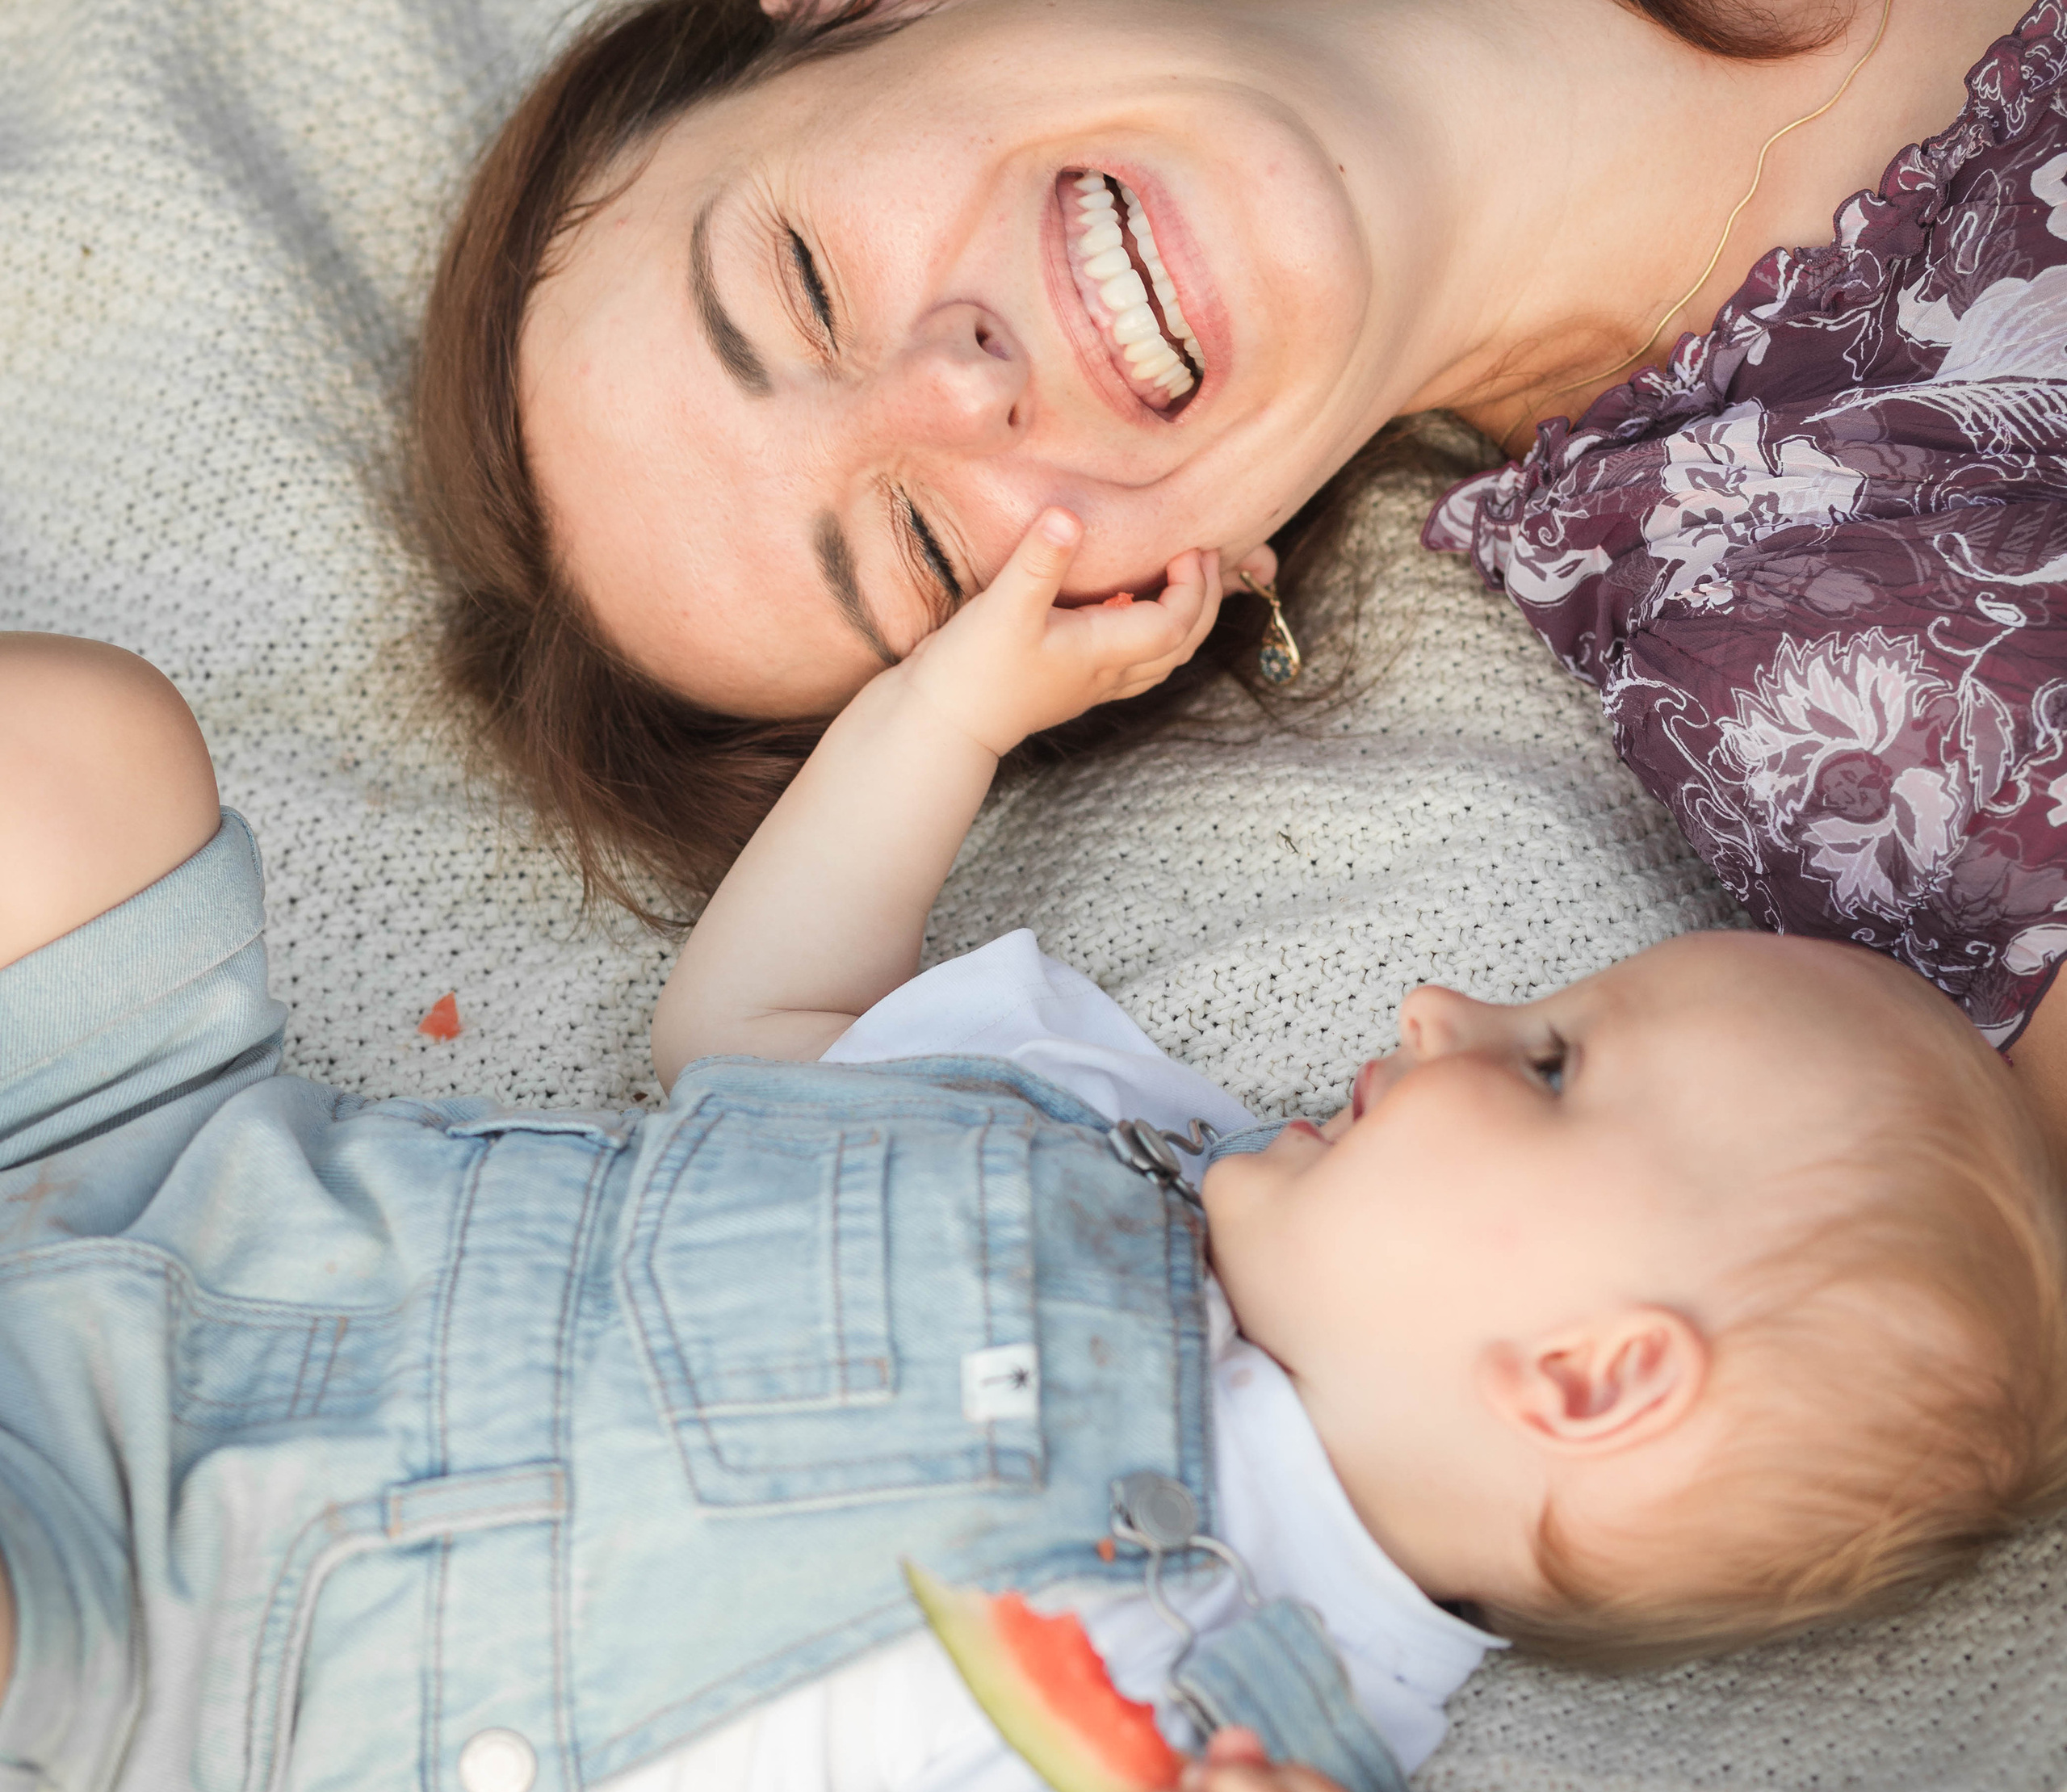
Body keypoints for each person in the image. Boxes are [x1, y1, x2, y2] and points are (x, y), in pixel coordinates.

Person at [2, 510, 2063, 1792]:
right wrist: (945, 718)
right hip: (176, 1171)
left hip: (138, 1622)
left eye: (1544, 1063)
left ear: (1589, 1377)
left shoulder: (1213, 1745)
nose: (1440, 999)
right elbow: (752, 1020)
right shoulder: (1125, 1118)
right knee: (84, 750)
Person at [412, 0, 2067, 1155]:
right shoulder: (1855, 678)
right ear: (1138, 610)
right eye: (920, 546)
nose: (954, 384)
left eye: (801, 282)